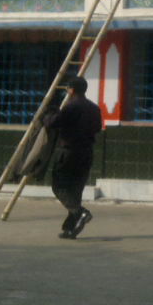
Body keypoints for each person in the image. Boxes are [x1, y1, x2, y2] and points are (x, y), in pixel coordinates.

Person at [45, 76, 103, 239]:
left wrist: (50, 112)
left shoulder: (71, 106)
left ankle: (81, 213)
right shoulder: (94, 108)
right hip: (86, 152)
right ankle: (71, 228)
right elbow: (98, 128)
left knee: (59, 185)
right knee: (76, 188)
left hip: (69, 151)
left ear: (71, 90)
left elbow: (52, 123)